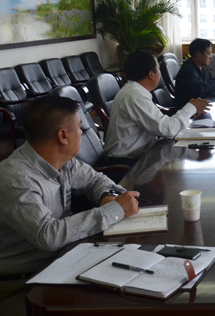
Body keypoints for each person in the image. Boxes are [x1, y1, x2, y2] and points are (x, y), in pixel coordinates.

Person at [0, 96, 140, 275]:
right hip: (26, 277)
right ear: (63, 136)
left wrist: (108, 196)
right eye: (79, 128)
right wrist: (113, 211)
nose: (81, 133)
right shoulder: (16, 181)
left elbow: (95, 180)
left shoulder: (63, 161)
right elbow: (49, 236)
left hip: (65, 255)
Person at [105, 50, 212, 159]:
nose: (160, 73)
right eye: (159, 69)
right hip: (127, 162)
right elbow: (168, 129)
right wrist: (190, 108)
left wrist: (187, 113)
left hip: (142, 154)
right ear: (151, 74)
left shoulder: (135, 91)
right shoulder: (136, 97)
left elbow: (159, 123)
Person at [175, 38, 215, 108]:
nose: (211, 57)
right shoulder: (188, 70)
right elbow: (200, 88)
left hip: (199, 106)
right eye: (208, 54)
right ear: (198, 55)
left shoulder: (200, 68)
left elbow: (208, 82)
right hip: (188, 110)